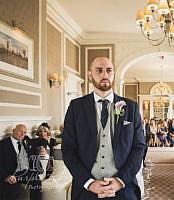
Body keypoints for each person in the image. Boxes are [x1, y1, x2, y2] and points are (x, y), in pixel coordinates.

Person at [62, 57, 146, 200]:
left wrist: (120, 181)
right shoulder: (76, 107)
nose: (105, 75)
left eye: (109, 70)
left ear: (114, 74)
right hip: (86, 190)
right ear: (90, 75)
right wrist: (89, 183)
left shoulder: (131, 107)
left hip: (124, 189)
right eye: (99, 70)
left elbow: (138, 148)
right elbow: (68, 149)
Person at [0, 124, 43, 200]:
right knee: (13, 188)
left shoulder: (25, 142)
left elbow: (40, 141)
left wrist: (41, 149)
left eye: (25, 132)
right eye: (20, 131)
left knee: (36, 181)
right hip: (11, 174)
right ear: (13, 130)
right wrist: (6, 177)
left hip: (24, 173)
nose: (22, 134)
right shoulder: (3, 144)